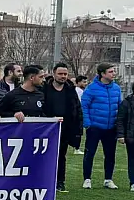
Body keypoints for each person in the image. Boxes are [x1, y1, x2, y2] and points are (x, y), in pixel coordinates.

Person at [0, 65, 49, 200]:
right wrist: (12, 114)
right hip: (12, 142)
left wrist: (53, 121)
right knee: (8, 176)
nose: (43, 80)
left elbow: (43, 115)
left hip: (33, 142)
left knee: (30, 175)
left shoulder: (40, 95)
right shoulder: (13, 95)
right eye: (41, 76)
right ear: (32, 77)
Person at [42, 62, 84, 192]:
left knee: (61, 156)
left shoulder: (70, 90)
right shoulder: (44, 89)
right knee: (44, 156)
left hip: (64, 129)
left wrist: (77, 130)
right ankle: (44, 180)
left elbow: (77, 109)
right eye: (60, 73)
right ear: (54, 74)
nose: (63, 76)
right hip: (46, 129)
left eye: (65, 74)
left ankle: (60, 182)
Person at [80, 62, 122, 190]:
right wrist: (88, 124)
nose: (114, 74)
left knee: (110, 154)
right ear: (102, 74)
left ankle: (108, 179)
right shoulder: (91, 88)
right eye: (111, 72)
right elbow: (84, 106)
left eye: (114, 71)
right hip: (95, 127)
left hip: (111, 127)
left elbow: (119, 106)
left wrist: (119, 124)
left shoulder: (116, 88)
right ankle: (87, 179)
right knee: (90, 153)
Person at [73, 75, 89, 153]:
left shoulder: (77, 90)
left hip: (77, 113)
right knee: (78, 131)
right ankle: (76, 148)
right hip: (78, 114)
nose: (85, 83)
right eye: (84, 82)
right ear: (78, 82)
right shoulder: (79, 91)